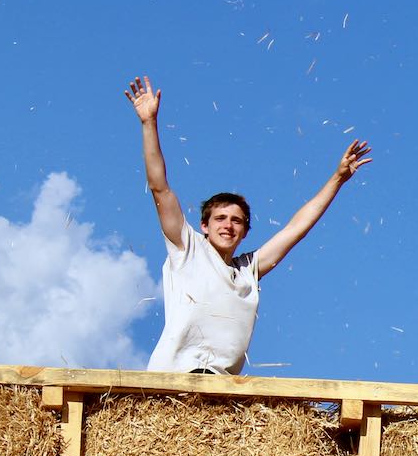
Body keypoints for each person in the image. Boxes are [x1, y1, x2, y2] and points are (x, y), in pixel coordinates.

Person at [125, 75, 371, 375]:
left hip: (222, 386)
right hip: (176, 377)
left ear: (244, 231)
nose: (228, 225)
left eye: (236, 221)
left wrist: (337, 179)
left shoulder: (248, 271)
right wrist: (149, 123)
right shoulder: (188, 249)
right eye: (220, 218)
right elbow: (160, 188)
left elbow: (296, 229)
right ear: (204, 226)